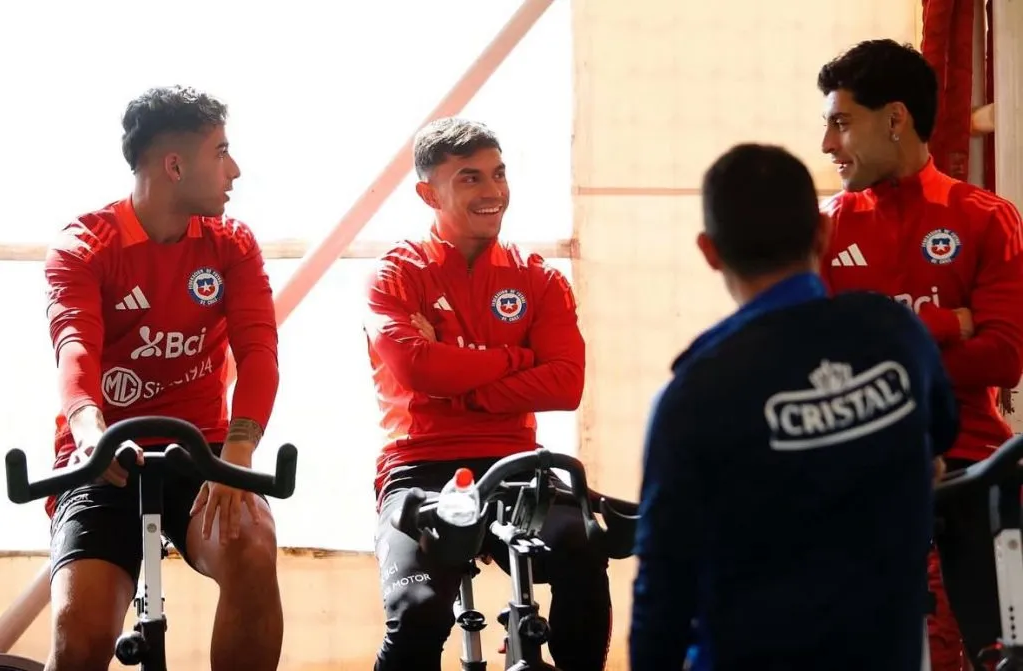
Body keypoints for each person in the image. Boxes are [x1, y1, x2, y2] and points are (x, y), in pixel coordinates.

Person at [629, 143, 958, 671]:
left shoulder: (693, 394)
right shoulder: (894, 333)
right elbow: (942, 434)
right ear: (823, 233)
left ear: (710, 251)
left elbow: (663, 588)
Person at [42, 85, 282, 671]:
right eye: (220, 152)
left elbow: (259, 352)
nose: (235, 169)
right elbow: (74, 347)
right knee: (80, 636)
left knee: (253, 551)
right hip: (103, 454)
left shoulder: (231, 244)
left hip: (201, 450)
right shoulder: (84, 246)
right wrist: (90, 433)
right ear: (174, 166)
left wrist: (239, 451)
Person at [363, 116, 609, 671]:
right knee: (418, 612)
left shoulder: (539, 278)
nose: (492, 190)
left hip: (516, 464)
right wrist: (519, 360)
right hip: (419, 469)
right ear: (429, 194)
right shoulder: (395, 274)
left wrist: (462, 387)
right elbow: (417, 369)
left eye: (498, 174)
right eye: (469, 178)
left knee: (584, 554)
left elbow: (566, 384)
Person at [817, 39, 1023, 670]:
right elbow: (817, 364)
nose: (827, 144)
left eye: (841, 122)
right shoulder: (822, 228)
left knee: (993, 649)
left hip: (972, 466)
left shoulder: (987, 218)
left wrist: (877, 354)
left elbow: (1003, 356)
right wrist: (944, 322)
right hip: (855, 460)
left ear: (895, 119)